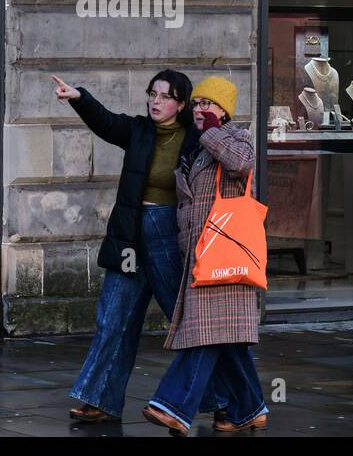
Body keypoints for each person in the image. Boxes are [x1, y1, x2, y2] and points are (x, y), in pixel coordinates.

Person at [54, 70, 226, 423]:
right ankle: (100, 399)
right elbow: (105, 122)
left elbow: (234, 156)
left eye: (165, 96)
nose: (155, 101)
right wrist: (79, 98)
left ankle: (226, 400)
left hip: (170, 235)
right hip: (131, 235)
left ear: (181, 104)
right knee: (113, 318)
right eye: (152, 94)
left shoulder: (195, 138)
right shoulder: (138, 130)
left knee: (185, 323)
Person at [143, 75, 270, 435]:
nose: (200, 110)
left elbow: (241, 164)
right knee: (224, 340)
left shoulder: (236, 138)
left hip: (227, 254)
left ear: (225, 111)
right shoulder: (197, 146)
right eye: (197, 104)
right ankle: (247, 407)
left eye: (208, 104)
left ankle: (173, 406)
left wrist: (212, 132)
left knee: (205, 335)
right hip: (203, 257)